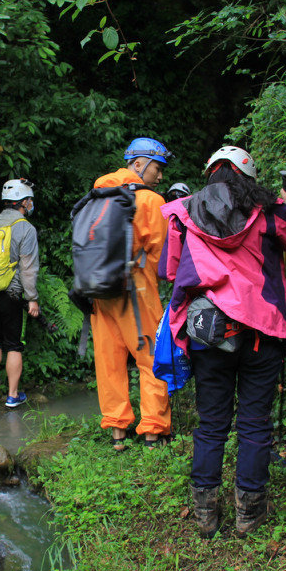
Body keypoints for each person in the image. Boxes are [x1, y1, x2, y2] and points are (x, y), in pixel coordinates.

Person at [158, 145, 286, 538]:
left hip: (208, 334)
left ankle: (205, 515)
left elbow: (171, 270)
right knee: (254, 423)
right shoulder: (270, 211)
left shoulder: (184, 213)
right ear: (248, 177)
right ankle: (248, 516)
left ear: (211, 175)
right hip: (262, 332)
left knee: (212, 424)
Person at [90, 137, 173, 451]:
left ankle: (117, 432)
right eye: (157, 168)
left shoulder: (97, 194)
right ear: (138, 163)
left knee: (108, 361)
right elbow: (161, 255)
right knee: (150, 357)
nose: (160, 176)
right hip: (136, 288)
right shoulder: (151, 201)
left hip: (98, 288)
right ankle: (153, 432)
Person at [0, 178, 41, 409]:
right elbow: (28, 267)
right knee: (13, 344)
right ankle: (12, 396)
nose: (32, 204)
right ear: (23, 202)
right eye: (30, 200)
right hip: (11, 293)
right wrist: (32, 298)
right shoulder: (25, 228)